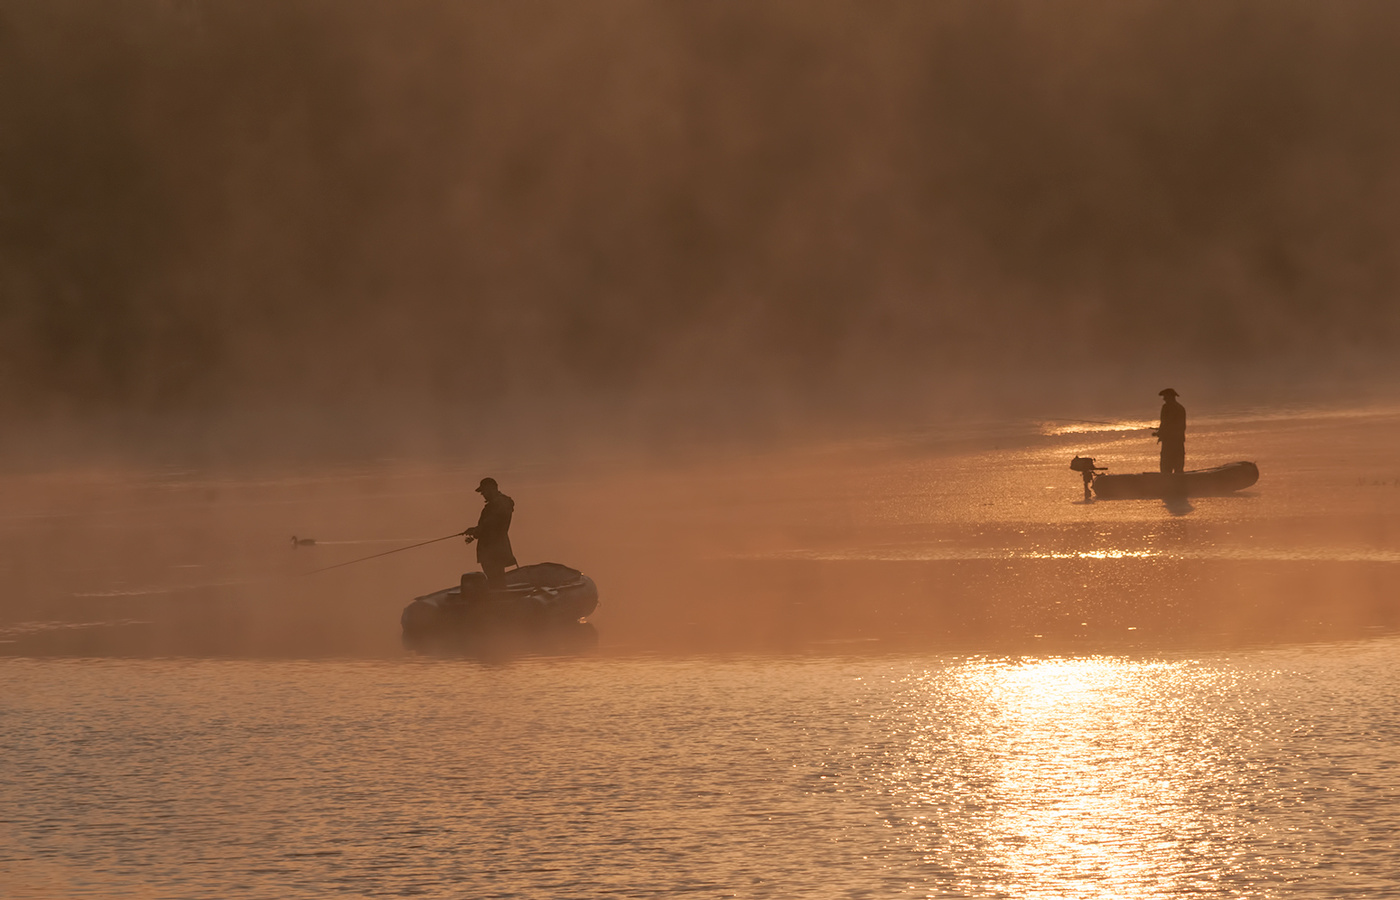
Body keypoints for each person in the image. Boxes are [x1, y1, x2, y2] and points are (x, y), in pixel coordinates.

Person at [465, 477, 517, 585]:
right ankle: (499, 598)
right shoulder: (503, 503)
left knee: (495, 580)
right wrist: (475, 532)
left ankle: (498, 600)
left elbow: (489, 525)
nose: (482, 494)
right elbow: (489, 526)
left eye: (484, 491)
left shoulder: (497, 505)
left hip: (492, 550)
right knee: (498, 579)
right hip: (499, 548)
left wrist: (475, 531)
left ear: (492, 488)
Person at [1154, 388, 1186, 475]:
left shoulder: (1166, 407)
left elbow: (1164, 423)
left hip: (1169, 443)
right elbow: (1181, 426)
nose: (1164, 399)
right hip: (1179, 441)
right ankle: (1179, 484)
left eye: (1165, 397)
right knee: (1178, 467)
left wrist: (1159, 433)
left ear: (1170, 397)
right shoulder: (1180, 408)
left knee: (1166, 467)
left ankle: (1167, 485)